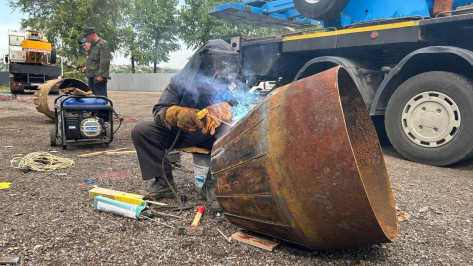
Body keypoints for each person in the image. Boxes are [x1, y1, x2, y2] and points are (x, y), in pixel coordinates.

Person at [131, 39, 241, 211]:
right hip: (182, 132)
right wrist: (176, 114)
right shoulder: (180, 80)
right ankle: (164, 183)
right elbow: (159, 110)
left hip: (213, 133)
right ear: (204, 64)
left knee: (232, 130)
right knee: (141, 131)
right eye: (216, 68)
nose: (218, 73)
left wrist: (226, 108)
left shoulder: (229, 82)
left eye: (223, 68)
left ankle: (213, 184)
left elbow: (243, 104)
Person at [82, 27, 110, 97]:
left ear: (91, 35)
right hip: (91, 77)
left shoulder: (102, 44)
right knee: (92, 99)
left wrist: (101, 75)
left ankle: (102, 108)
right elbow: (92, 60)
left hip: (98, 78)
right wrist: (87, 67)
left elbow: (105, 61)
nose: (87, 40)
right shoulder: (93, 46)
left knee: (100, 98)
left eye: (87, 37)